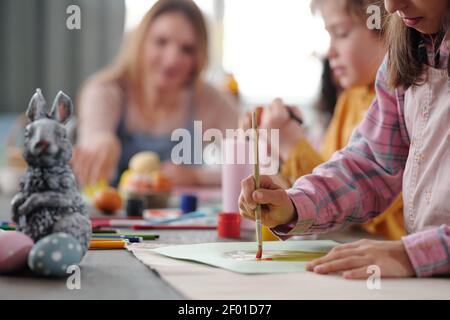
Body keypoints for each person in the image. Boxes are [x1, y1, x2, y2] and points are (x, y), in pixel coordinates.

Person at [239, 0, 450, 278]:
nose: (390, 6)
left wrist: (413, 254)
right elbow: (371, 164)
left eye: (341, 32)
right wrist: (294, 206)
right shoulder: (406, 56)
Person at [73, 0, 238, 187]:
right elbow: (94, 137)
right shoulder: (105, 91)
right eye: (161, 42)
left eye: (187, 49)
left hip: (181, 216)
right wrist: (102, 143)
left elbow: (253, 162)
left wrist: (197, 176)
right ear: (140, 42)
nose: (171, 60)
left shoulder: (207, 99)